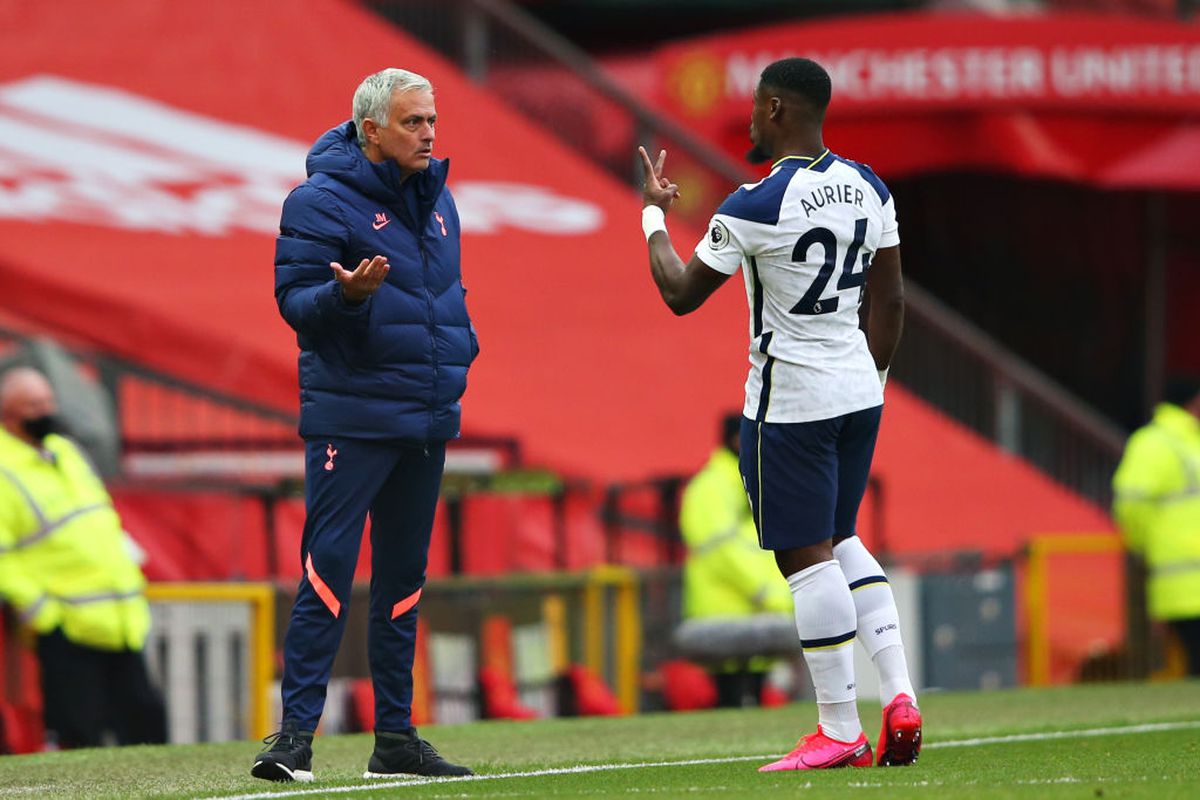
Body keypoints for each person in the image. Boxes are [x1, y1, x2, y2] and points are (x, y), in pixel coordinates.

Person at [638, 57, 921, 771]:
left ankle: (838, 728)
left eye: (758, 113)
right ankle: (900, 695)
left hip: (791, 401)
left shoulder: (756, 202)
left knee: (805, 558)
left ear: (774, 109)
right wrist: (871, 376)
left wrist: (652, 214)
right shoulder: (869, 185)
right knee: (842, 537)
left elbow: (678, 292)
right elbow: (888, 301)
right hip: (860, 391)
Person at [252, 68, 478, 783]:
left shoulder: (441, 203)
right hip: (351, 417)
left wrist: (461, 350)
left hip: (424, 414)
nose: (429, 134)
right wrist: (344, 298)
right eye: (413, 123)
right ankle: (293, 739)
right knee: (328, 573)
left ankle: (396, 739)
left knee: (404, 582)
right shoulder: (317, 202)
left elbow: (442, 302)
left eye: (432, 120)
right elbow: (295, 303)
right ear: (371, 129)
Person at [0, 367, 166, 749]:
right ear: (9, 414)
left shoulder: (66, 451)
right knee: (80, 738)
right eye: (33, 405)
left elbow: (99, 519)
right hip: (69, 627)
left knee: (148, 728)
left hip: (121, 621)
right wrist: (44, 614)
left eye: (48, 401)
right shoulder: (6, 473)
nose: (46, 410)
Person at [677, 412, 793, 707]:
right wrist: (765, 591)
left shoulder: (745, 480)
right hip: (729, 608)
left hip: (756, 608)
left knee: (754, 697)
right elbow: (720, 550)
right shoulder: (713, 486)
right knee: (729, 697)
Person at [1112, 375, 1200, 676]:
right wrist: (1144, 544)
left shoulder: (1189, 442)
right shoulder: (1154, 443)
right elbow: (1131, 504)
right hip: (1186, 581)